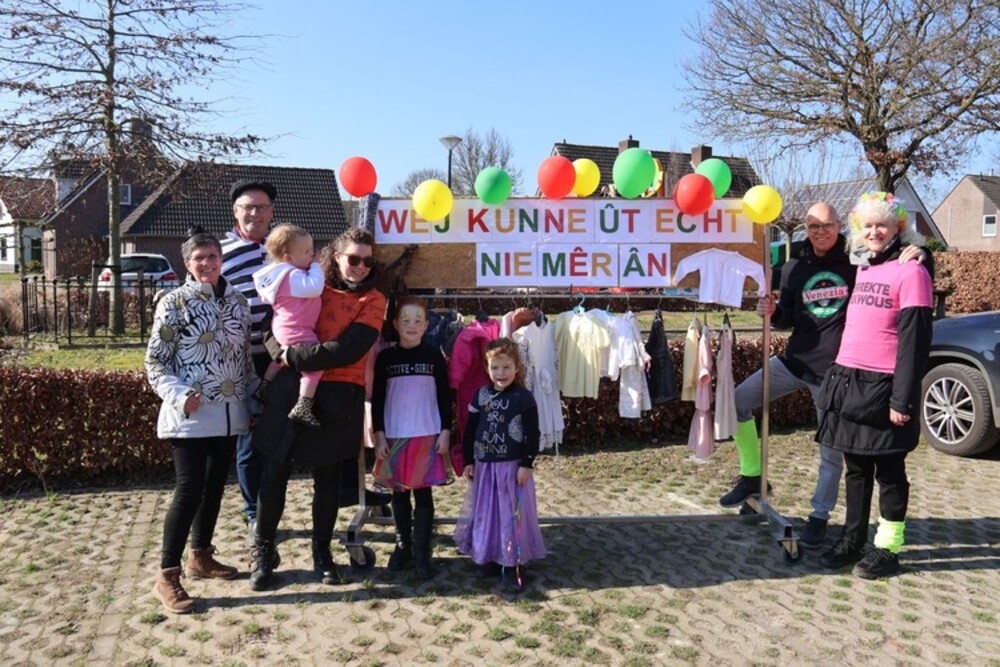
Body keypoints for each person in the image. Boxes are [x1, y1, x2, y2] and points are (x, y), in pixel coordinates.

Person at [719, 201, 927, 549]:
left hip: (834, 375)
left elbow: (894, 259)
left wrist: (922, 253)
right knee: (736, 400)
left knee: (830, 454)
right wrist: (774, 311)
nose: (821, 232)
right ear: (806, 228)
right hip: (794, 362)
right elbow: (787, 318)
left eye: (828, 225)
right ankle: (753, 477)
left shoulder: (855, 258)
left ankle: (819, 517)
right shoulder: (794, 266)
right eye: (814, 226)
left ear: (839, 226)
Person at [248, 227, 386, 590]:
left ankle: (321, 552)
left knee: (327, 481)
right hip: (291, 388)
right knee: (274, 472)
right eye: (353, 258)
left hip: (339, 396)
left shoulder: (373, 300)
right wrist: (281, 353)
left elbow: (349, 348)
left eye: (368, 261)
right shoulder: (308, 282)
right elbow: (270, 324)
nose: (361, 266)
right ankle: (263, 550)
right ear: (336, 257)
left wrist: (294, 355)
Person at [816, 191, 933, 579]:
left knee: (890, 472)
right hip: (850, 381)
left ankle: (887, 548)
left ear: (897, 227)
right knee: (856, 469)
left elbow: (915, 341)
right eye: (867, 226)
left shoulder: (912, 271)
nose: (874, 232)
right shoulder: (862, 266)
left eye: (882, 224)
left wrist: (903, 398)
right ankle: (852, 540)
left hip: (885, 388)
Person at [145, 233, 256, 613]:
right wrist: (179, 395)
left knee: (213, 490)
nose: (207, 263)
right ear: (187, 264)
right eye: (199, 258)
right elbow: (155, 361)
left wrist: (254, 400)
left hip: (229, 415)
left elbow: (245, 360)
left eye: (212, 256)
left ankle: (201, 556)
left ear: (221, 259)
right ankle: (167, 574)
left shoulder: (239, 303)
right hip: (190, 415)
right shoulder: (174, 302)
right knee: (189, 490)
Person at [454, 338, 546, 590]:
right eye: (495, 367)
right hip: (485, 467)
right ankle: (490, 556)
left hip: (512, 468)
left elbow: (532, 433)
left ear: (517, 367)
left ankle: (512, 562)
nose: (501, 373)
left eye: (506, 367)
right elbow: (470, 429)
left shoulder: (523, 397)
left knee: (510, 515)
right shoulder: (481, 395)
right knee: (488, 513)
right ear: (487, 368)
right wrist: (469, 460)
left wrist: (527, 463)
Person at [371, 296, 453, 579]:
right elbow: (378, 399)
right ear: (395, 324)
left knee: (423, 495)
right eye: (406, 320)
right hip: (395, 436)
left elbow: (445, 396)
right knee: (399, 494)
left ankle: (421, 551)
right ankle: (402, 545)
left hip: (427, 435)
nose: (412, 325)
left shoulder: (433, 356)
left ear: (427, 325)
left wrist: (446, 430)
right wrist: (379, 435)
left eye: (418, 321)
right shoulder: (386, 358)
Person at [220, 179, 276, 542]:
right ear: (235, 212)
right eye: (248, 207)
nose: (255, 213)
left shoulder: (282, 247)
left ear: (272, 212)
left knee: (279, 438)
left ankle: (271, 506)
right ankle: (254, 512)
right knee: (249, 440)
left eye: (261, 207)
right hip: (242, 359)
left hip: (280, 358)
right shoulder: (220, 252)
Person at [252, 223, 325, 428]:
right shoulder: (292, 275)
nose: (312, 255)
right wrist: (317, 266)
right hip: (297, 330)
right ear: (288, 258)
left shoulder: (282, 275)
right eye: (306, 252)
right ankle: (303, 406)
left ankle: (264, 387)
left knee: (281, 359)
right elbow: (315, 287)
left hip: (284, 328)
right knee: (314, 364)